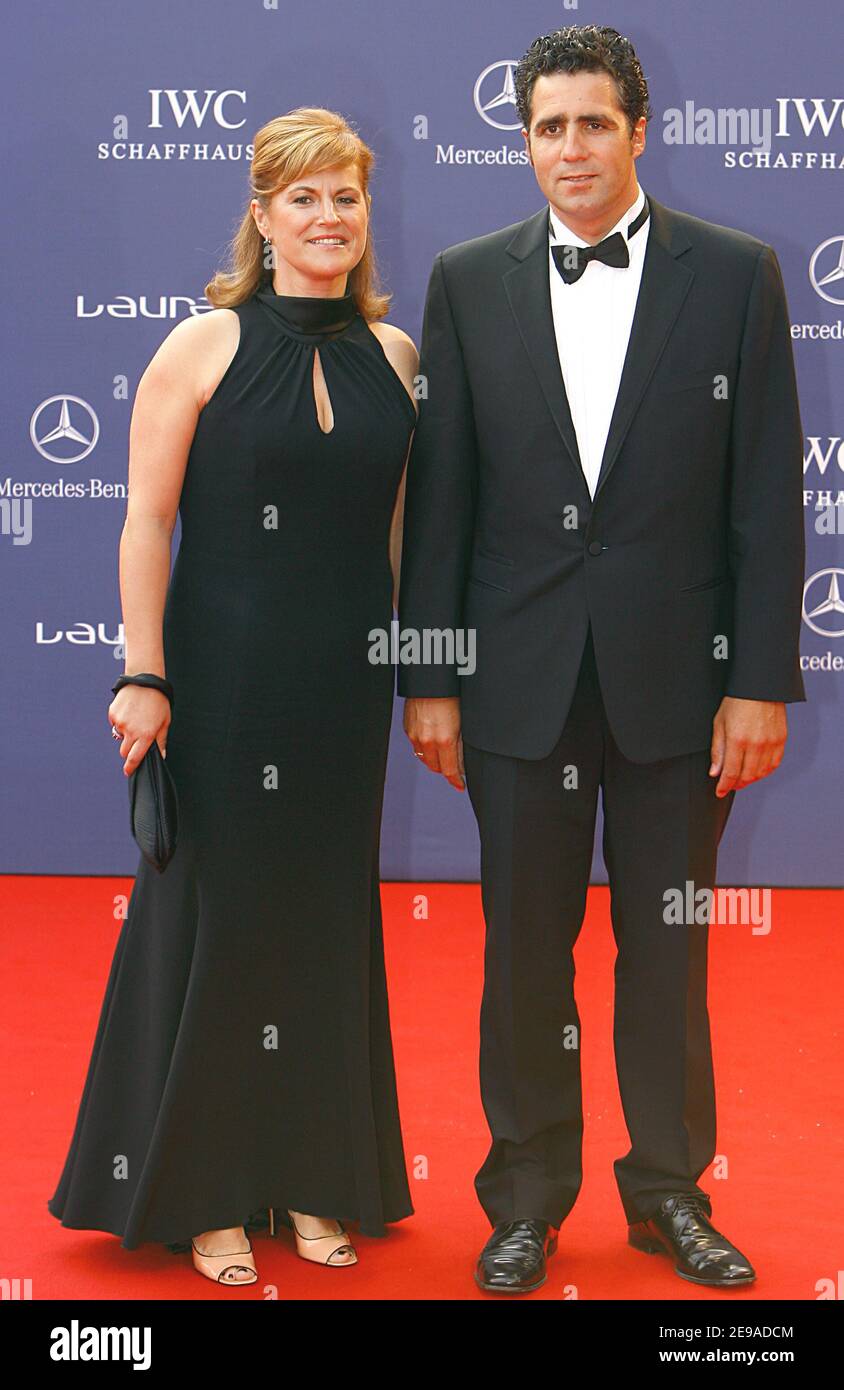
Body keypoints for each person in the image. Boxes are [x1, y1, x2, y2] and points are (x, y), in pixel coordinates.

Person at [398, 25, 805, 1295]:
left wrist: (757, 680)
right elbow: (445, 495)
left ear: (639, 130)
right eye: (545, 128)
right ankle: (522, 1197)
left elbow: (761, 496)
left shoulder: (736, 275)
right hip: (515, 679)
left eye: (590, 124)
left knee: (666, 950)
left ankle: (670, 1193)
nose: (568, 149)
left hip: (679, 687)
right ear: (521, 141)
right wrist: (430, 674)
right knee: (523, 952)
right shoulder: (467, 280)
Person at [47, 107, 419, 1286]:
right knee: (214, 926)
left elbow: (397, 537)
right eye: (302, 198)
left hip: (340, 689)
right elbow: (145, 520)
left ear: (367, 215)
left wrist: (412, 672)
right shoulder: (199, 345)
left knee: (321, 922)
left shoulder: (398, 357)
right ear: (261, 216)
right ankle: (204, 1189)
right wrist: (143, 673)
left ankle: (315, 1178)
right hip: (218, 681)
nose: (328, 218)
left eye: (346, 197)